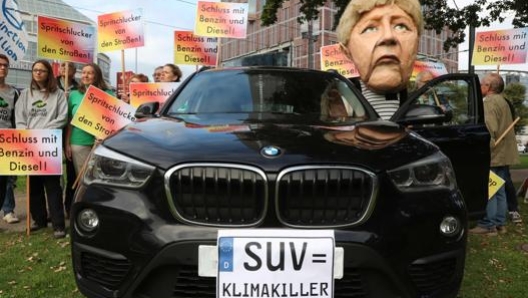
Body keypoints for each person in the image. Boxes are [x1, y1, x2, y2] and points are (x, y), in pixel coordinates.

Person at [336, 0, 423, 120]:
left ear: (417, 45)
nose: (388, 36)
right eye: (369, 29)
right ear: (346, 52)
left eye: (401, 26)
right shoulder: (338, 98)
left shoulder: (424, 96)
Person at [15, 59, 68, 238]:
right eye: (35, 70)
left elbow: (62, 117)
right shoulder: (24, 94)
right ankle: (39, 219)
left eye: (42, 70)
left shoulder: (58, 94)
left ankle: (58, 224)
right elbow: (20, 117)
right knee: (34, 185)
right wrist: (27, 133)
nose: (38, 73)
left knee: (52, 185)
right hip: (30, 144)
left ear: (48, 74)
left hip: (48, 143)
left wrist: (42, 132)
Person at [469, 73, 520, 235]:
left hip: (493, 155)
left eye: (483, 84)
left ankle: (487, 224)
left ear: (489, 87)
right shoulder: (504, 101)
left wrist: (484, 151)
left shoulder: (490, 103)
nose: (481, 86)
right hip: (504, 155)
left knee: (489, 189)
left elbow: (489, 129)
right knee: (499, 189)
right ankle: (500, 223)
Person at [66, 63, 115, 176]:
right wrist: (67, 143)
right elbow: (69, 121)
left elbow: (113, 120)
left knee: (102, 177)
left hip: (102, 142)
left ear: (97, 75)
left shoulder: (109, 94)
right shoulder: (74, 95)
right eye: (83, 72)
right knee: (84, 178)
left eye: (90, 73)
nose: (85, 75)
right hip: (79, 142)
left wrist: (103, 135)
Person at [56, 61, 78, 219]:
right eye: (62, 65)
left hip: (72, 132)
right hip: (54, 130)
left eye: (69, 66)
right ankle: (54, 207)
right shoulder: (52, 84)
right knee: (54, 172)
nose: (65, 68)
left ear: (74, 71)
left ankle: (69, 205)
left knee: (72, 171)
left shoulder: (79, 88)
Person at [0, 53, 19, 216]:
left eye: (5, 65)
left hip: (7, 140)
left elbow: (17, 118)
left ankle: (8, 210)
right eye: (0, 65)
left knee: (7, 177)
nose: (3, 67)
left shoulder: (14, 93)